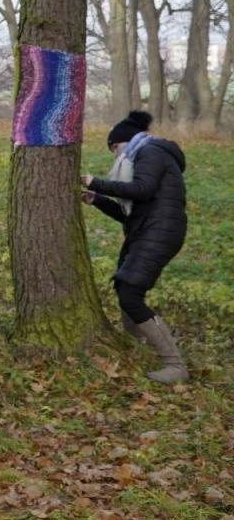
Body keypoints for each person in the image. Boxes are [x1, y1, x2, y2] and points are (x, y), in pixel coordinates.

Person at [81, 110, 189, 384]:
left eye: (115, 148)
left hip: (159, 232)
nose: (116, 156)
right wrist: (98, 198)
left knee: (130, 293)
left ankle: (175, 365)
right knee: (123, 287)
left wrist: (98, 182)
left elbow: (142, 190)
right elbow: (130, 213)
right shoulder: (147, 153)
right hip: (147, 231)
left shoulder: (150, 152)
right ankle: (137, 346)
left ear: (125, 142)